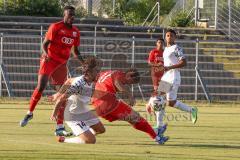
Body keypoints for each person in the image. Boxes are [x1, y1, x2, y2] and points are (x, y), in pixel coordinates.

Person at [20, 6, 84, 136]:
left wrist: (84, 63)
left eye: (73, 15)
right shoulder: (55, 27)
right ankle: (30, 113)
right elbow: (45, 44)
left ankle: (59, 127)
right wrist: (46, 54)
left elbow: (75, 51)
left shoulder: (76, 32)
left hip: (61, 64)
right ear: (64, 15)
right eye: (70, 14)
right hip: (49, 60)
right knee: (41, 86)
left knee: (63, 93)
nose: (72, 17)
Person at [91, 69, 169, 144]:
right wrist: (130, 96)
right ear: (129, 75)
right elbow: (117, 83)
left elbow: (95, 78)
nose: (129, 84)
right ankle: (157, 137)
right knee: (137, 118)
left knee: (133, 119)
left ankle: (155, 132)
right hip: (108, 104)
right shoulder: (119, 75)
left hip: (97, 105)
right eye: (131, 82)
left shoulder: (107, 73)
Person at [50, 57, 105, 144]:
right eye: (96, 71)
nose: (98, 73)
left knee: (101, 130)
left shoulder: (90, 80)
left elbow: (68, 81)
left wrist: (58, 93)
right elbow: (61, 99)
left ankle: (85, 132)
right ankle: (64, 140)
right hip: (73, 116)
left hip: (84, 112)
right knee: (91, 141)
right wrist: (55, 113)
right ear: (88, 73)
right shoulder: (78, 84)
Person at [149, 29, 198, 125]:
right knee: (167, 101)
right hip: (166, 76)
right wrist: (161, 66)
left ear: (175, 37)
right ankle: (191, 110)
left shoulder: (176, 48)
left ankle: (160, 125)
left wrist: (169, 67)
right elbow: (168, 63)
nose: (169, 37)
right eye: (167, 35)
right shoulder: (166, 49)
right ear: (165, 37)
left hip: (173, 77)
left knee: (160, 98)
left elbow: (184, 62)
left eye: (171, 35)